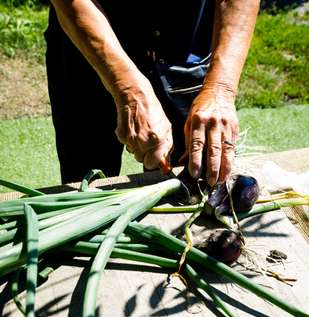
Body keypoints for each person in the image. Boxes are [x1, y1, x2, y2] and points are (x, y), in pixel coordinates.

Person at [45, 0, 260, 185]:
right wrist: (128, 89)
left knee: (199, 179)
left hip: (187, 46)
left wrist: (220, 90)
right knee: (86, 187)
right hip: (86, 43)